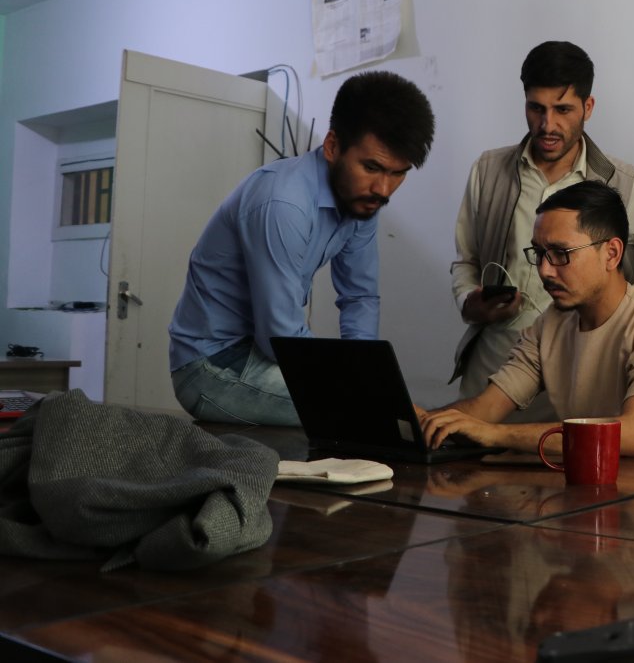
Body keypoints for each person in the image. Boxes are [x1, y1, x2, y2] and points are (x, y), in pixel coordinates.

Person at [169, 70, 435, 426]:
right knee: (378, 416)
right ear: (332, 146)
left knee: (379, 408)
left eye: (398, 173)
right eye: (372, 167)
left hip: (264, 354)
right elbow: (280, 338)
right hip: (209, 364)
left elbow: (360, 298)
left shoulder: (362, 203)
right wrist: (373, 395)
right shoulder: (283, 204)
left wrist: (367, 377)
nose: (384, 189)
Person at [450, 40, 634, 422]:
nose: (548, 125)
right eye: (536, 108)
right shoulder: (488, 171)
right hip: (494, 373)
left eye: (563, 110)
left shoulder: (621, 183)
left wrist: (627, 304)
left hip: (578, 377)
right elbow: (466, 261)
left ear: (587, 108)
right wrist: (469, 302)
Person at [422, 181, 634, 462]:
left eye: (561, 254)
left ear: (612, 253)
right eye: (540, 253)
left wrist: (495, 434)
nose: (545, 270)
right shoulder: (550, 324)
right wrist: (421, 419)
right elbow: (487, 408)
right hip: (584, 493)